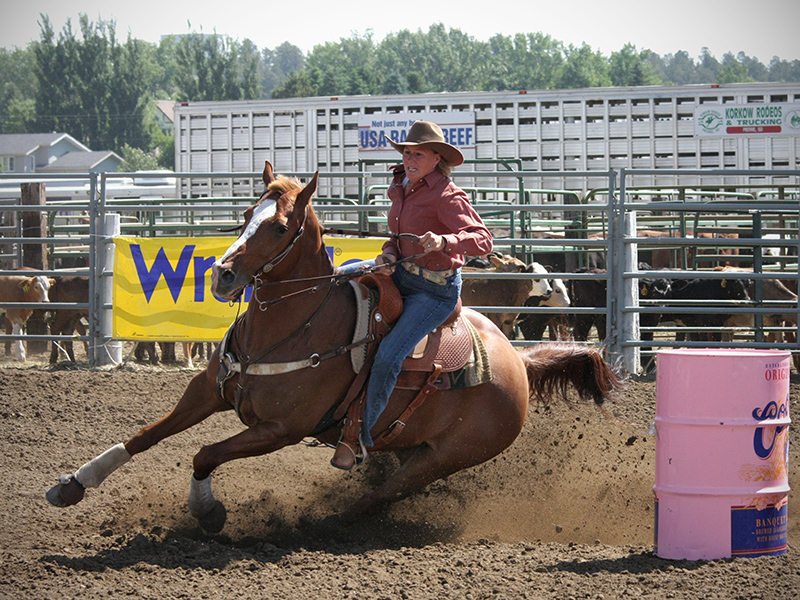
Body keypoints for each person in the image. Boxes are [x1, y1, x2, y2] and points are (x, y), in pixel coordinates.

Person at [331, 120, 493, 470]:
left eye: (418, 153)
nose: (409, 159)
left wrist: (446, 241)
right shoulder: (402, 186)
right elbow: (396, 236)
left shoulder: (448, 195)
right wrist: (388, 254)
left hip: (435, 292)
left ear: (437, 158)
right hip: (402, 274)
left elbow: (484, 239)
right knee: (336, 281)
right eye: (406, 152)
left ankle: (362, 437)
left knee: (389, 356)